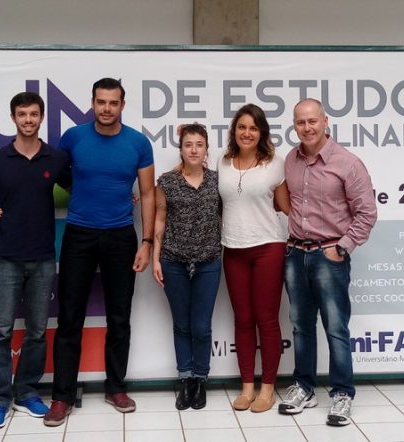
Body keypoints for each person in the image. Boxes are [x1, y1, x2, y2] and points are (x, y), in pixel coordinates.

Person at [44, 77, 156, 427]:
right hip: (79, 234)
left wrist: (147, 242)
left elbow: (148, 194)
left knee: (119, 317)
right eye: (101, 102)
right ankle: (62, 396)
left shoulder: (138, 143)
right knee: (69, 318)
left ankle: (116, 387)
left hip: (121, 236)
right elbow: (56, 174)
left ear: (122, 105)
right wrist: (81, 189)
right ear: (92, 103)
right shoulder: (73, 138)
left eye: (113, 102)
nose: (107, 108)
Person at [0, 92, 71, 429]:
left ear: (41, 117)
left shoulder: (56, 158)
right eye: (22, 114)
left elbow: (82, 189)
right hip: (6, 257)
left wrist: (120, 195)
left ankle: (26, 392)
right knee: (1, 331)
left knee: (37, 331)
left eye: (34, 114)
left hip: (43, 257)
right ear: (13, 118)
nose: (28, 120)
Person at [278, 98, 378, 427]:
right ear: (294, 126)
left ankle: (342, 393)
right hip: (296, 254)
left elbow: (367, 213)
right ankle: (304, 388)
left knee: (336, 328)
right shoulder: (290, 160)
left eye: (312, 121)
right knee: (300, 326)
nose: (306, 128)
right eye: (300, 122)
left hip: (328, 256)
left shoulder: (347, 163)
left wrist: (342, 248)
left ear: (325, 122)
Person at [217, 104, 291, 413]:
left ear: (262, 133)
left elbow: (286, 206)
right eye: (242, 127)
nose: (247, 133)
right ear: (234, 130)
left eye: (253, 128)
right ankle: (247, 387)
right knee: (243, 319)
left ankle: (267, 389)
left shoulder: (275, 163)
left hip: (268, 248)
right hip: (233, 249)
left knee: (267, 319)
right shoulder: (223, 162)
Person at [151, 123, 222, 410]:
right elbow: (160, 219)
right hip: (173, 260)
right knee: (181, 324)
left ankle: (201, 379)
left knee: (201, 326)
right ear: (181, 149)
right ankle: (186, 379)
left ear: (206, 149)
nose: (193, 150)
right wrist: (155, 258)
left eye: (199, 144)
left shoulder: (217, 181)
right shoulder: (167, 182)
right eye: (188, 144)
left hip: (208, 260)